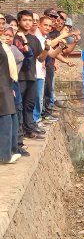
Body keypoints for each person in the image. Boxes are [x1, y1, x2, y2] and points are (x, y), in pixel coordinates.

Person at [16, 10, 50, 140]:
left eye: (30, 20)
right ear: (19, 21)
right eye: (25, 20)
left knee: (30, 104)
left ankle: (29, 130)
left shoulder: (34, 39)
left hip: (32, 76)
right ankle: (19, 133)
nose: (28, 22)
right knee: (19, 106)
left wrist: (46, 49)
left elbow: (40, 59)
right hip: (19, 77)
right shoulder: (15, 38)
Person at [1, 25, 21, 164]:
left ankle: (12, 150)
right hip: (1, 87)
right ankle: (4, 155)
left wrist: (10, 85)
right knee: (6, 119)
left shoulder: (4, 47)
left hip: (7, 85)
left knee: (12, 118)